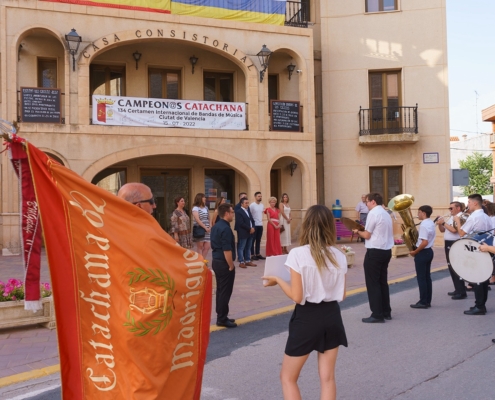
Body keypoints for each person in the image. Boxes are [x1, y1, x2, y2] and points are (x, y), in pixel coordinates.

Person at [262, 205, 348, 400]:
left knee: (288, 377)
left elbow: (297, 297)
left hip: (307, 317)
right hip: (332, 316)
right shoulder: (339, 256)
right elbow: (341, 295)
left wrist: (279, 281)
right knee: (327, 379)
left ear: (307, 225)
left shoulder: (298, 254)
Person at [352, 192, 393, 323]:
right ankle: (386, 311)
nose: (366, 204)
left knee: (373, 283)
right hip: (386, 251)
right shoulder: (386, 213)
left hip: (375, 252)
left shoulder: (373, 213)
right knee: (382, 282)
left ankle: (377, 314)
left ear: (373, 202)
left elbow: (367, 235)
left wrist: (357, 231)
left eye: (367, 202)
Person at [454, 193, 492, 315]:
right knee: (484, 278)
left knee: (478, 278)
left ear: (475, 203)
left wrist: (457, 221)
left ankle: (479, 306)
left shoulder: (474, 217)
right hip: (487, 248)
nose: (468, 205)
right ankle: (480, 304)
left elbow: (461, 233)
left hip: (477, 249)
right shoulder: (486, 216)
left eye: (469, 202)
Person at [210, 203, 237, 328]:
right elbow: (227, 250)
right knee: (225, 291)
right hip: (224, 263)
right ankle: (221, 318)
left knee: (221, 290)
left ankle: (222, 315)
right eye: (232, 212)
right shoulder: (225, 228)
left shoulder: (216, 226)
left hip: (216, 261)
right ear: (227, 213)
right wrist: (231, 265)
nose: (233, 214)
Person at [436, 201, 466, 299]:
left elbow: (454, 230)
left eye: (451, 208)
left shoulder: (461, 216)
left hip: (455, 243)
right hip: (449, 243)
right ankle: (458, 288)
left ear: (458, 208)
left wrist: (443, 222)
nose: (450, 210)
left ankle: (461, 291)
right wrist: (440, 223)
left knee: (456, 267)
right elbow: (443, 230)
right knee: (451, 267)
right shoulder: (452, 217)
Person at [409, 205, 436, 309]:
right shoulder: (430, 222)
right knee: (427, 277)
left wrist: (415, 251)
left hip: (423, 252)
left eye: (419, 212)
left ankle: (423, 301)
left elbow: (424, 242)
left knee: (421, 278)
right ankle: (427, 300)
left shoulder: (424, 225)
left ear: (424, 213)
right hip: (429, 252)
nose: (418, 214)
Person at [235, 198, 257, 268]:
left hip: (251, 232)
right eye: (246, 203)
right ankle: (241, 261)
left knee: (249, 247)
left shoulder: (248, 210)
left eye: (248, 203)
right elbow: (241, 223)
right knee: (242, 247)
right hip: (244, 232)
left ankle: (248, 260)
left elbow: (252, 220)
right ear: (242, 204)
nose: (247, 204)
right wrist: (249, 228)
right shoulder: (239, 211)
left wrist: (253, 227)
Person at [192, 193, 211, 259]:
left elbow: (209, 218)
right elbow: (197, 219)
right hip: (200, 229)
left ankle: (203, 260)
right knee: (200, 246)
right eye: (203, 197)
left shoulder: (206, 207)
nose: (205, 198)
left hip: (207, 230)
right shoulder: (195, 208)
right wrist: (205, 227)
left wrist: (210, 226)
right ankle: (200, 261)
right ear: (200, 198)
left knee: (207, 246)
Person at [250, 191, 265, 261]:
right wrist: (251, 226)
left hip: (260, 224)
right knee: (253, 240)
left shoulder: (262, 205)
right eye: (259, 196)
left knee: (258, 240)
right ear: (255, 197)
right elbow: (250, 216)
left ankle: (258, 254)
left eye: (261, 196)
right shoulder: (252, 205)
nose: (260, 197)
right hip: (254, 225)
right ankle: (252, 254)